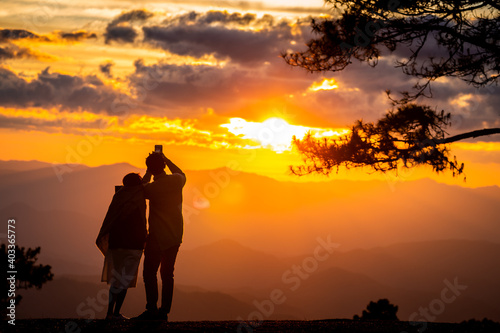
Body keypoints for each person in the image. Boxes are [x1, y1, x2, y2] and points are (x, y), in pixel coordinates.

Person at [134, 152, 186, 321]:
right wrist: (167, 159)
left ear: (150, 168)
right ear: (164, 165)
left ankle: (151, 309)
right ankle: (164, 312)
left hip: (156, 236)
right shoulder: (176, 181)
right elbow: (181, 173)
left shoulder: (151, 188)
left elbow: (138, 189)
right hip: (175, 235)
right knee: (167, 274)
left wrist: (148, 172)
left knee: (149, 273)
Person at [96, 173, 147, 320]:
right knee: (125, 281)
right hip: (133, 245)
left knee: (116, 280)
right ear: (138, 184)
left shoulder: (118, 196)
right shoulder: (140, 194)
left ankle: (109, 313)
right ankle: (117, 313)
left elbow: (110, 217)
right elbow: (144, 182)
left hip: (116, 243)